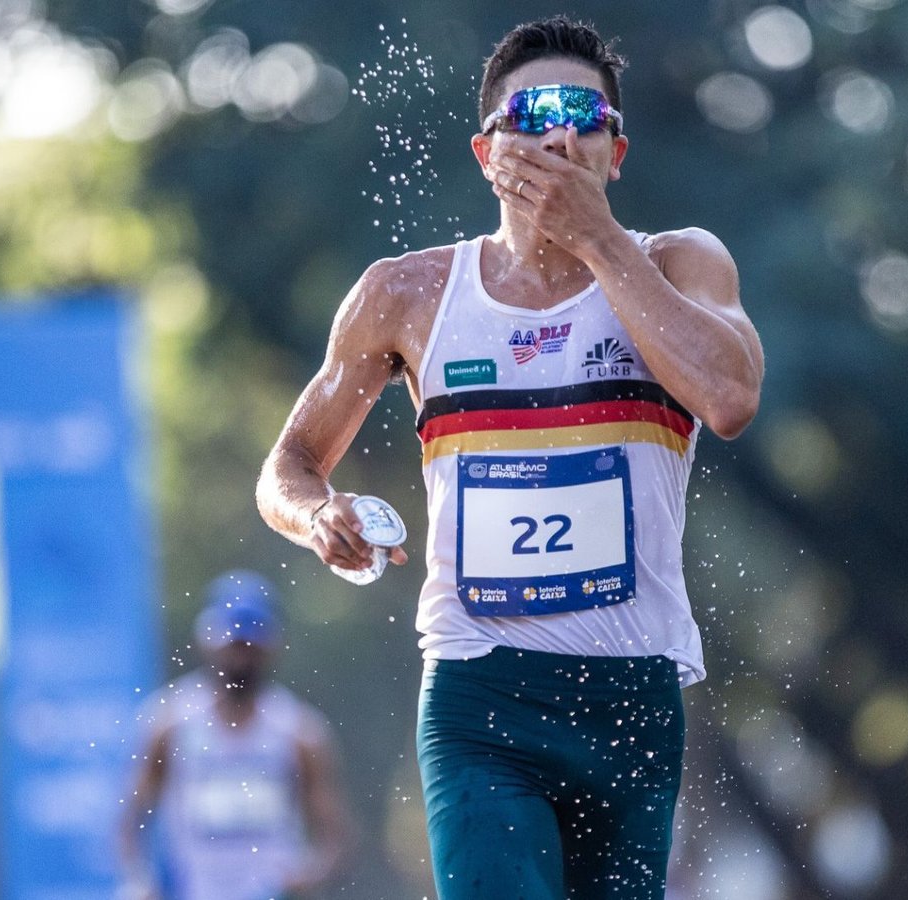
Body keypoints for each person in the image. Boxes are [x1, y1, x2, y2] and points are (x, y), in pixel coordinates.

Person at [256, 15, 763, 900]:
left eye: (585, 116)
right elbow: (288, 465)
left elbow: (729, 400)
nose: (561, 137)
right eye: (533, 116)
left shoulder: (680, 264)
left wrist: (599, 241)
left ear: (617, 152)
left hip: (631, 696)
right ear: (488, 155)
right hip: (481, 692)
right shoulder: (407, 293)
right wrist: (317, 515)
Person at [120, 570, 352, 900]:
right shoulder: (169, 724)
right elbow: (131, 819)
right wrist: (140, 880)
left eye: (251, 647)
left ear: (273, 646)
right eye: (233, 646)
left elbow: (335, 836)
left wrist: (311, 874)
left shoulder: (299, 733)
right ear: (206, 640)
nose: (241, 657)